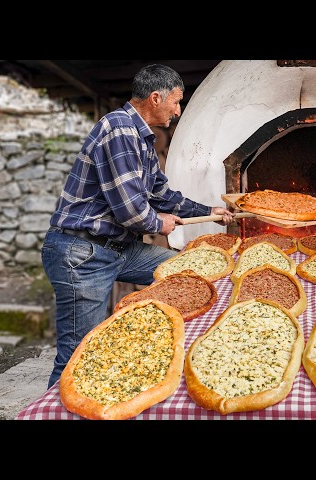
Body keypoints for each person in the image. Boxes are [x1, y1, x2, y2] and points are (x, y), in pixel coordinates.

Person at [41, 64, 235, 389]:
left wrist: (211, 211)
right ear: (155, 98)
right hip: (82, 253)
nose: (178, 110)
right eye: (175, 102)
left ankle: (161, 351)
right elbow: (131, 211)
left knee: (185, 273)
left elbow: (162, 194)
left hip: (119, 250)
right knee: (77, 356)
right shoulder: (118, 130)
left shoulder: (142, 139)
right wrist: (160, 223)